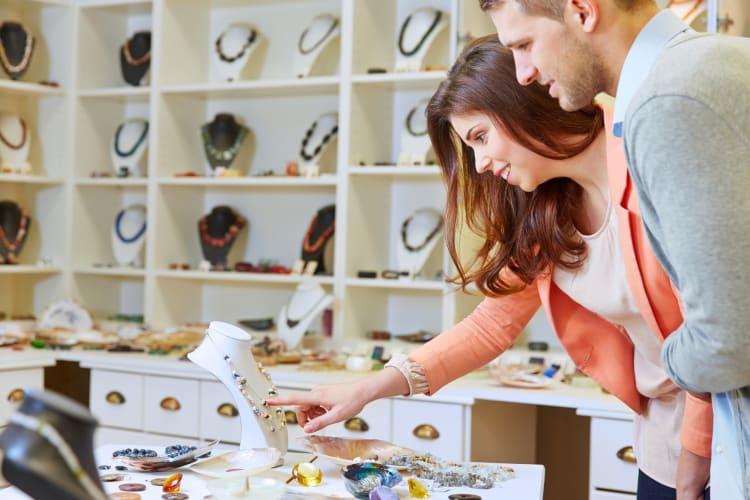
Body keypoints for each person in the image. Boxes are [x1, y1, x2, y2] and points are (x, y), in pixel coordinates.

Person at [269, 36, 711, 500]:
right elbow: (491, 325)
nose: (479, 165)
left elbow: (715, 328)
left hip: (722, 433)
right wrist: (368, 388)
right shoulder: (548, 211)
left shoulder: (651, 161)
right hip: (660, 439)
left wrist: (696, 455)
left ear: (522, 102)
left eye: (480, 136)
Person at [476, 0, 750, 498]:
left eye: (524, 44)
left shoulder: (667, 99)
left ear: (582, 10)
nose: (523, 73)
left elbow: (725, 336)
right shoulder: (723, 61)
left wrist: (673, 366)